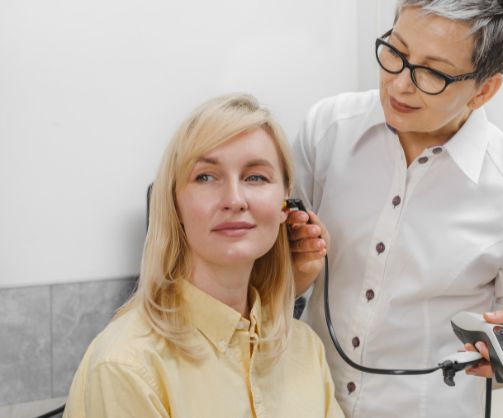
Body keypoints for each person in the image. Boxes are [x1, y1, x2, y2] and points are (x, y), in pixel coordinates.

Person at [287, 0, 503, 416]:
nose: (400, 84)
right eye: (395, 52)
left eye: (433, 74)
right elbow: (274, 266)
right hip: (310, 401)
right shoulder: (328, 131)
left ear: (484, 90)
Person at [63, 94, 343, 418]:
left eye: (256, 177)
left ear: (285, 203)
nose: (235, 200)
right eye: (206, 177)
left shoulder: (305, 350)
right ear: (175, 203)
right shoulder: (126, 365)